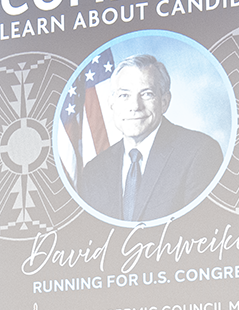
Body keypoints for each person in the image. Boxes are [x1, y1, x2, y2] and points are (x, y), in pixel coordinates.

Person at [77, 54, 225, 222]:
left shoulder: (199, 153)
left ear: (164, 101)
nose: (135, 106)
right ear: (112, 103)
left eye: (146, 94)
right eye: (124, 95)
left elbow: (200, 233)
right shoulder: (94, 170)